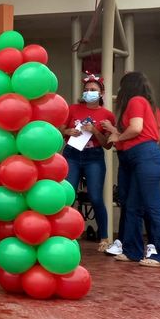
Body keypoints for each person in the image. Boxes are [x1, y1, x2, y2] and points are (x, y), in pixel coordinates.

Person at [100, 71, 160, 267]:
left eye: (121, 85)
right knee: (132, 207)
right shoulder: (139, 102)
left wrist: (118, 136)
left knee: (154, 208)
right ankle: (132, 251)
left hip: (146, 157)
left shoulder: (136, 100)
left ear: (127, 86)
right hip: (138, 159)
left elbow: (136, 128)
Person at [62, 73, 115, 252]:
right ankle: (64, 235)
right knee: (68, 196)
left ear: (101, 93)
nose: (89, 92)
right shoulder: (73, 109)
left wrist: (95, 131)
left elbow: (108, 144)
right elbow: (60, 129)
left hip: (94, 157)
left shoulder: (107, 115)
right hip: (72, 154)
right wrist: (68, 131)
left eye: (93, 90)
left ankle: (104, 237)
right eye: (86, 90)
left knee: (96, 197)